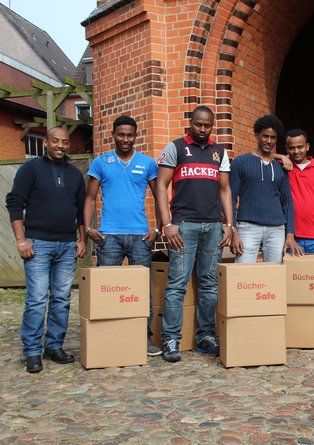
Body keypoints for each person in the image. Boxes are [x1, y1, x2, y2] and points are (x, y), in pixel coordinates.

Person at [156, 105, 234, 362]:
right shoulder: (176, 148)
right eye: (198, 124)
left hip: (212, 226)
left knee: (209, 283)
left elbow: (224, 190)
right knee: (177, 284)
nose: (202, 129)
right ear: (191, 123)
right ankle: (170, 339)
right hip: (184, 225)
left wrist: (229, 225)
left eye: (207, 125)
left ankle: (205, 337)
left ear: (212, 125)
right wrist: (167, 224)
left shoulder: (219, 152)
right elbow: (161, 185)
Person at [6, 127, 87, 373]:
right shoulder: (30, 170)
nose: (60, 146)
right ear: (45, 143)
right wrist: (21, 241)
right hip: (37, 244)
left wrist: (82, 240)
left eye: (65, 142)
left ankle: (54, 346)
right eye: (55, 141)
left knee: (62, 299)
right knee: (37, 299)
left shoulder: (74, 174)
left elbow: (81, 210)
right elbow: (15, 203)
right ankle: (32, 351)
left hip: (66, 245)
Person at [83, 115, 162, 356]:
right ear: (113, 135)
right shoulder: (101, 162)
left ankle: (143, 338)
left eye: (130, 135)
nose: (125, 139)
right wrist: (88, 229)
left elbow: (160, 197)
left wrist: (157, 229)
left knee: (141, 290)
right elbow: (89, 198)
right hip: (109, 237)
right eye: (121, 134)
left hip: (140, 236)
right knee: (108, 289)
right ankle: (110, 337)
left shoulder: (147, 163)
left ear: (135, 136)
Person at [230, 115, 302, 262]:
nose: (269, 141)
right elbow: (230, 197)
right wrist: (233, 230)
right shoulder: (240, 162)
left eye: (273, 137)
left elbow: (287, 202)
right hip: (247, 227)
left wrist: (290, 234)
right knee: (243, 275)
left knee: (274, 276)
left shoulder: (281, 167)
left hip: (276, 229)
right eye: (265, 136)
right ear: (257, 135)